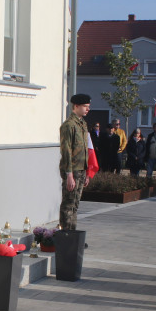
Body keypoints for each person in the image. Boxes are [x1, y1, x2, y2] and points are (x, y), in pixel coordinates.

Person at [59, 94, 90, 229]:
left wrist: (86, 172)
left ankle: (73, 236)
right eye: (85, 106)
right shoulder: (69, 125)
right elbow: (66, 150)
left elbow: (85, 149)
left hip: (81, 169)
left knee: (75, 204)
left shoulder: (82, 124)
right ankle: (66, 236)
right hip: (72, 170)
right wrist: (69, 174)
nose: (87, 109)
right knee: (68, 204)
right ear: (76, 106)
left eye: (88, 107)